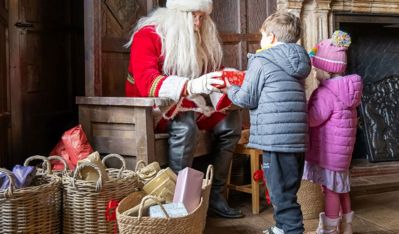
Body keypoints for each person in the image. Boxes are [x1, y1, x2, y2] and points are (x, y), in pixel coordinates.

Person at [125, 0, 244, 218]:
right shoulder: (148, 35)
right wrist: (192, 85)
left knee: (231, 121)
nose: (198, 23)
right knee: (186, 125)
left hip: (188, 104)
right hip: (151, 110)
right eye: (193, 16)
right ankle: (177, 200)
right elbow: (146, 83)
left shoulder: (200, 38)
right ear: (177, 14)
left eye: (202, 16)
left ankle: (215, 195)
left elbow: (211, 75)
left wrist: (227, 84)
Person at [224, 12, 311, 234]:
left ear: (271, 37)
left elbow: (246, 98)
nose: (261, 40)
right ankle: (283, 228)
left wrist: (229, 88)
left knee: (280, 194)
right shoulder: (299, 61)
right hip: (297, 139)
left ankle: (293, 230)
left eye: (262, 35)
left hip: (276, 140)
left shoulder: (262, 60)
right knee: (288, 190)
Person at [303, 30, 362, 234]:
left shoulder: (326, 93)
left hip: (329, 153)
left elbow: (314, 118)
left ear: (326, 69)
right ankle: (347, 226)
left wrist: (304, 107)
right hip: (342, 154)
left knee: (330, 190)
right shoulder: (348, 90)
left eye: (316, 69)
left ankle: (329, 230)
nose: (315, 73)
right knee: (342, 188)